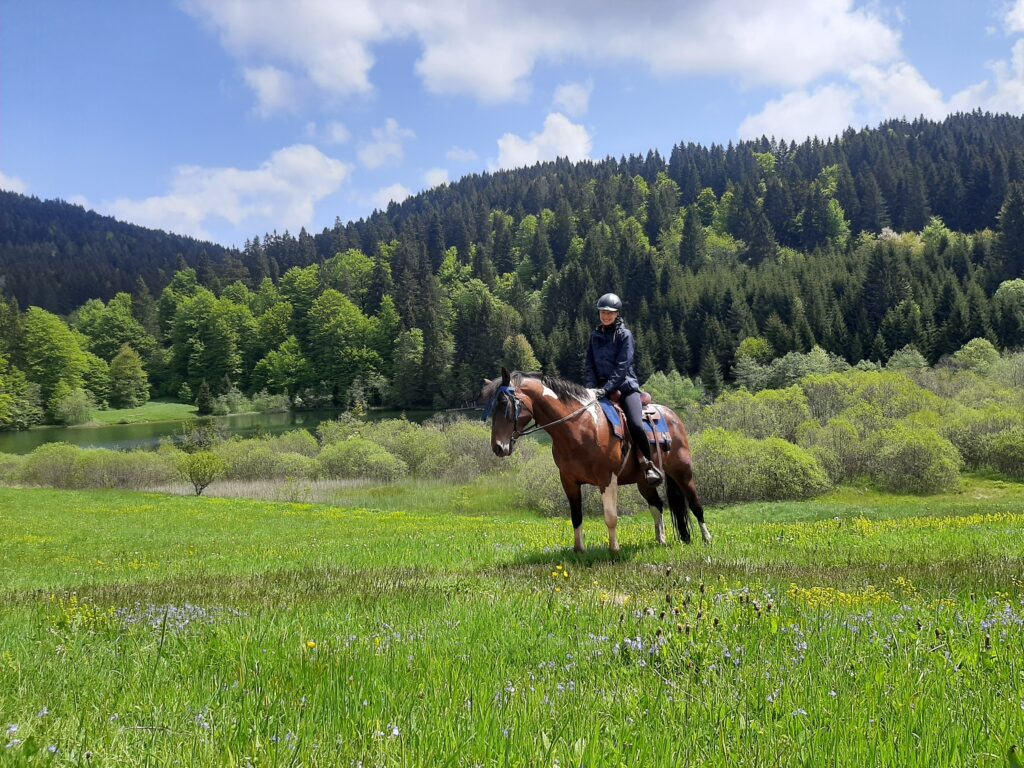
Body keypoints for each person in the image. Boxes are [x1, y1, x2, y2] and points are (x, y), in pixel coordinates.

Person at [584, 293, 662, 486]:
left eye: (610, 313)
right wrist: (591, 388)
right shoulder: (594, 336)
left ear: (617, 314)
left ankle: (648, 463)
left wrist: (607, 388)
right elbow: (589, 365)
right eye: (603, 312)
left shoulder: (625, 335)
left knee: (635, 424)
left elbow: (623, 366)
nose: (606, 316)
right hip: (600, 390)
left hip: (625, 387)